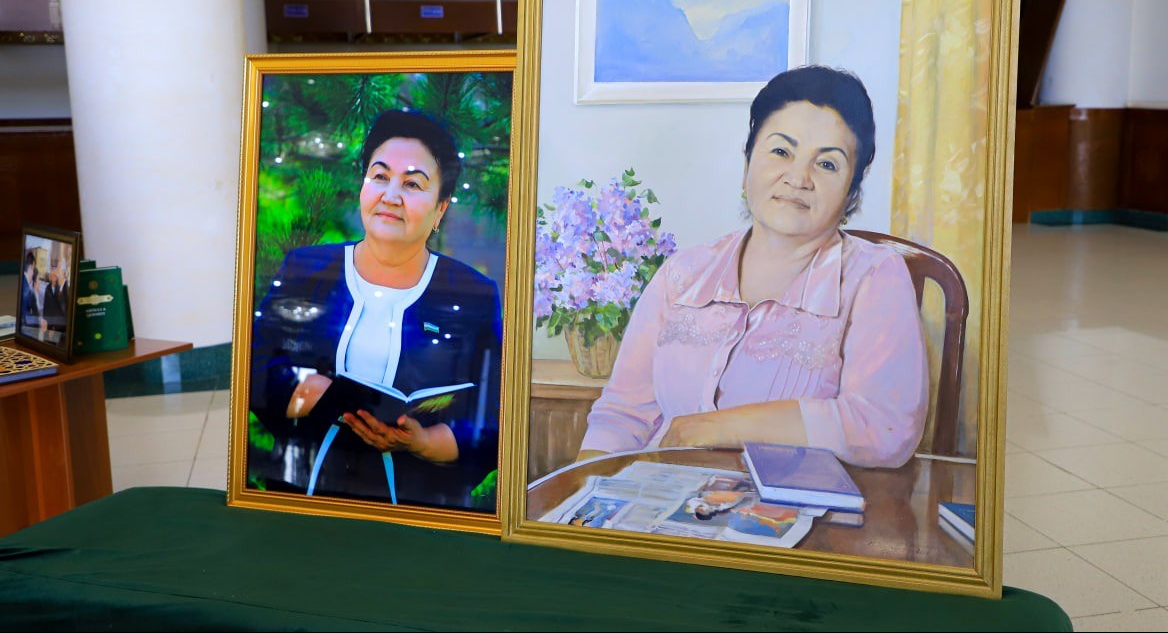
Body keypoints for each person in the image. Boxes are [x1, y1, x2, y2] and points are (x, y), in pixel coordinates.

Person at [576, 65, 929, 469]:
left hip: (793, 508)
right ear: (747, 165)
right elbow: (622, 414)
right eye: (781, 152)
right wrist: (582, 491)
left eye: (827, 164)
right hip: (663, 500)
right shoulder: (682, 274)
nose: (798, 178)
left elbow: (884, 426)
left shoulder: (875, 277)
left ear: (852, 192)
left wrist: (712, 427)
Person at [249, 109, 502, 510]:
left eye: (412, 184)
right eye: (380, 176)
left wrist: (423, 441)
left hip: (418, 509)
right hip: (304, 496)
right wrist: (317, 393)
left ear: (440, 209)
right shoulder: (306, 269)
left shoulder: (472, 293)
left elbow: (493, 418)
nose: (391, 195)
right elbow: (255, 369)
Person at [41, 256, 70, 344]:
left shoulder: (65, 289)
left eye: (58, 270)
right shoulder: (51, 288)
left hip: (61, 330)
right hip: (52, 324)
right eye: (55, 269)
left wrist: (54, 328)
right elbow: (46, 306)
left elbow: (64, 313)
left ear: (64, 274)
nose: (55, 272)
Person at [19, 251, 41, 334]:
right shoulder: (26, 289)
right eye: (34, 267)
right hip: (25, 329)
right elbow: (25, 317)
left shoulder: (24, 282)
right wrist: (39, 321)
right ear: (31, 267)